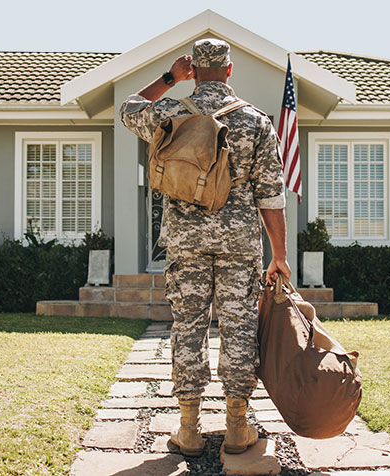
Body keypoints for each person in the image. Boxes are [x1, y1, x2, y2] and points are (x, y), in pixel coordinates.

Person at [119, 38, 291, 456]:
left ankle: (189, 428)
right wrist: (280, 256)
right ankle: (236, 427)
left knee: (188, 328)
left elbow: (127, 108)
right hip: (239, 246)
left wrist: (168, 79)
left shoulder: (169, 112)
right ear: (230, 70)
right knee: (239, 329)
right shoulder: (254, 121)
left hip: (185, 243)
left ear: (192, 69)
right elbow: (270, 196)